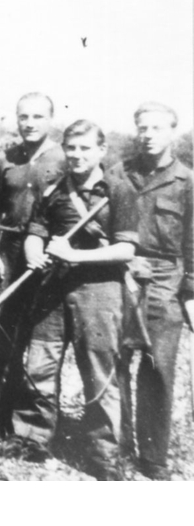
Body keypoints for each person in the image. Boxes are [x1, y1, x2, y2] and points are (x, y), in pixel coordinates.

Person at [8, 120, 138, 479]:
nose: (78, 155)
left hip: (99, 291)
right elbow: (37, 230)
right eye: (72, 148)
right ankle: (34, 439)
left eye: (85, 148)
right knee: (41, 364)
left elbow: (126, 248)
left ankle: (104, 456)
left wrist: (74, 255)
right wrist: (35, 251)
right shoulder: (52, 190)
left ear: (101, 151)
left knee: (99, 373)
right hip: (52, 286)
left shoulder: (118, 190)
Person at [109, 102, 193, 480]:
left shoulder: (187, 182)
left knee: (158, 369)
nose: (148, 135)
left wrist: (189, 292)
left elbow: (192, 242)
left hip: (164, 279)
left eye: (157, 128)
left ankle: (154, 456)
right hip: (120, 271)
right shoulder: (118, 175)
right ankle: (119, 445)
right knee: (117, 362)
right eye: (142, 127)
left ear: (172, 132)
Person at [0, 92, 65, 431]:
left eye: (38, 117)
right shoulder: (5, 159)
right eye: (23, 116)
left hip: (46, 256)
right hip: (8, 253)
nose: (29, 123)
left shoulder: (64, 158)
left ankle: (22, 418)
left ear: (50, 119)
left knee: (38, 340)